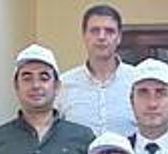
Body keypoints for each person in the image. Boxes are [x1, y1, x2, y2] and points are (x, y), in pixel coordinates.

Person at [56, 4, 137, 137]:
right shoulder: (63, 85)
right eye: (95, 31)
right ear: (84, 36)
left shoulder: (137, 81)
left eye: (109, 31)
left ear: (119, 37)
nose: (101, 37)